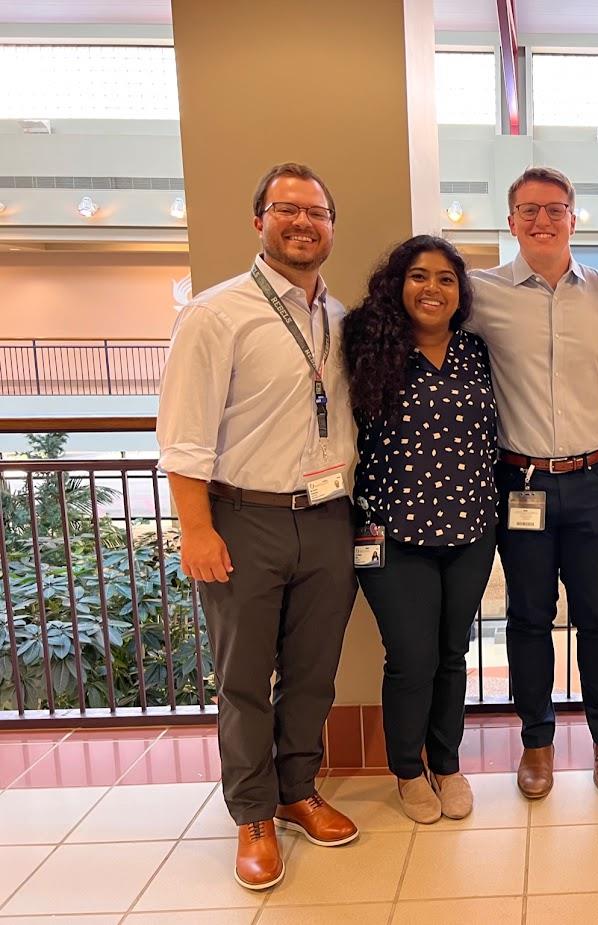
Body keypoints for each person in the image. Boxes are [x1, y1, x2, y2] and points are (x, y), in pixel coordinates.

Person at [157, 163, 359, 890]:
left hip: (328, 521)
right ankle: (251, 813)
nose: (303, 222)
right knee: (243, 678)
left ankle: (296, 789)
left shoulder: (340, 319)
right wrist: (196, 529)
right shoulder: (215, 314)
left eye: (317, 212)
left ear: (333, 227)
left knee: (311, 673)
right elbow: (183, 438)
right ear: (259, 222)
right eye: (286, 209)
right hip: (245, 519)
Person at [468, 167, 598, 799]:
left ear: (573, 217)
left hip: (591, 478)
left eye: (555, 209)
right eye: (529, 210)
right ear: (511, 222)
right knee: (529, 618)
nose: (542, 220)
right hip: (519, 482)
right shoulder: (480, 295)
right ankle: (536, 744)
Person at [343, 235, 498, 824]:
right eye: (418, 276)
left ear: (460, 294)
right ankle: (408, 771)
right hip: (390, 534)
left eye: (445, 279)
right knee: (411, 657)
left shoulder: (475, 352)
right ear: (397, 284)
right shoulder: (368, 347)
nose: (432, 288)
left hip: (470, 529)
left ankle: (447, 762)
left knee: (452, 654)